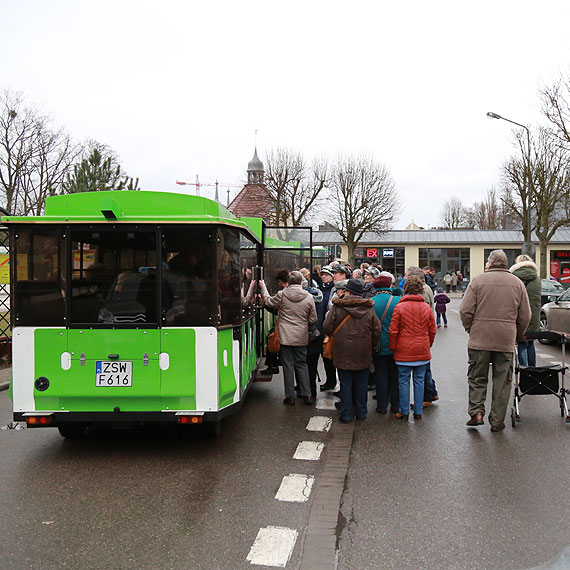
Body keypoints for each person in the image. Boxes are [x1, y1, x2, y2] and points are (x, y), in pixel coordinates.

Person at [460, 249, 531, 432]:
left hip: (480, 338)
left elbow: (465, 310)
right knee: (502, 380)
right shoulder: (517, 284)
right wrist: (517, 334)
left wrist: (470, 328)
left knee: (477, 377)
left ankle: (476, 413)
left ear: (489, 263)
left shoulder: (477, 281)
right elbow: (525, 315)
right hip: (505, 339)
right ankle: (497, 420)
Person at [323, 278, 380, 423]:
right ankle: (361, 412)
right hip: (363, 351)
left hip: (342, 351)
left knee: (346, 383)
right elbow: (376, 330)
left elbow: (327, 327)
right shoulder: (369, 308)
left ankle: (346, 414)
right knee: (361, 383)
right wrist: (371, 346)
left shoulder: (337, 307)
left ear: (347, 291)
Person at [259, 271, 317, 406]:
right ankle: (307, 394)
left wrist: (263, 288)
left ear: (288, 282)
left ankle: (290, 397)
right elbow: (313, 318)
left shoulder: (282, 294)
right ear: (301, 282)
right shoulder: (309, 297)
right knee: (302, 365)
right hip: (301, 336)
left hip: (285, 336)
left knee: (288, 366)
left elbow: (268, 301)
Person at [389, 275, 436, 421]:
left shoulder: (400, 307)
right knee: (419, 380)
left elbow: (393, 330)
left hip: (404, 350)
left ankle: (404, 411)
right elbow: (432, 330)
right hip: (421, 349)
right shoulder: (426, 308)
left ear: (405, 289)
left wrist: (394, 346)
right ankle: (418, 411)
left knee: (403, 380)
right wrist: (427, 344)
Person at [372, 272, 401, 414]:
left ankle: (382, 405)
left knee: (381, 375)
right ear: (390, 286)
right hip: (396, 345)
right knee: (395, 376)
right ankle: (396, 405)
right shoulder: (398, 301)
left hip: (378, 346)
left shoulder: (371, 302)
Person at [509, 254, 541, 367]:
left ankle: (523, 369)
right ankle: (533, 370)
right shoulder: (537, 279)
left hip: (521, 314)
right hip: (534, 316)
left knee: (522, 343)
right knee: (531, 343)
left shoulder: (514, 277)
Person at [259, 269, 290, 375]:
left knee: (272, 339)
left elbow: (270, 302)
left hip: (286, 329)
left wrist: (263, 287)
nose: (280, 285)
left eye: (280, 282)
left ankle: (273, 365)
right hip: (297, 332)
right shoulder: (305, 295)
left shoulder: (283, 294)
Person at [318, 265, 339, 391]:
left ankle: (332, 381)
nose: (323, 277)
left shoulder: (334, 290)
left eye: (326, 274)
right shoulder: (319, 288)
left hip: (331, 326)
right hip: (321, 326)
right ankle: (329, 381)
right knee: (325, 355)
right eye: (322, 274)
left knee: (331, 355)